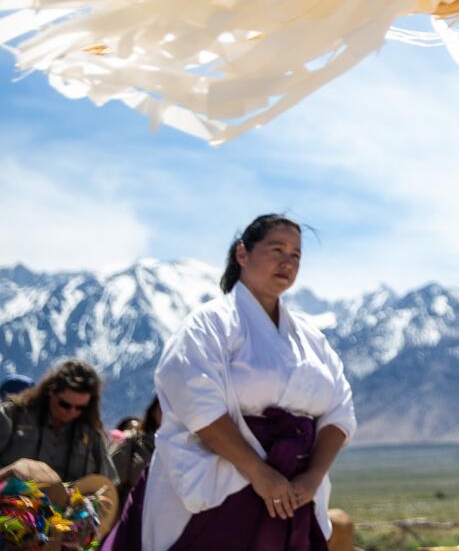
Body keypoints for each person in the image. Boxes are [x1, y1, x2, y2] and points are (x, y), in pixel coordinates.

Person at [126, 214, 356, 551]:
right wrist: (259, 473)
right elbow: (197, 405)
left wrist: (312, 477)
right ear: (242, 254)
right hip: (224, 480)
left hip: (295, 492)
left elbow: (340, 410)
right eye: (276, 249)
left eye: (295, 255)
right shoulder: (207, 325)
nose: (287, 262)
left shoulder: (312, 339)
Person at [0, 359, 118, 483]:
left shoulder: (92, 438)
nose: (71, 412)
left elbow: (108, 486)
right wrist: (10, 473)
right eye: (64, 404)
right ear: (50, 391)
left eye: (80, 408)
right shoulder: (13, 416)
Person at [110, 396, 162, 507]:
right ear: (153, 410)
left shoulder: (188, 447)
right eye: (163, 406)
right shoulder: (133, 440)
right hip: (131, 508)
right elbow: (114, 474)